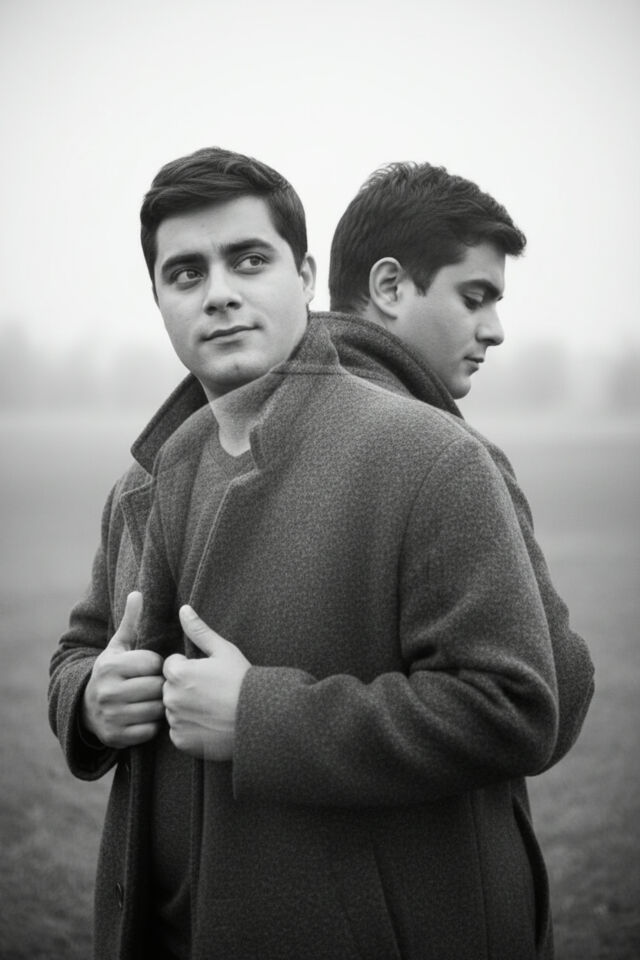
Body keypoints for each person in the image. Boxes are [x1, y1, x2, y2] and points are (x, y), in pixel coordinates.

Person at [50, 147, 560, 960]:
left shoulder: (432, 458)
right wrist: (87, 701)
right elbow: (79, 648)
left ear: (306, 278)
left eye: (249, 260)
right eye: (185, 273)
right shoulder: (141, 484)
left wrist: (259, 717)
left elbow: (516, 709)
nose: (219, 292)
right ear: (159, 300)